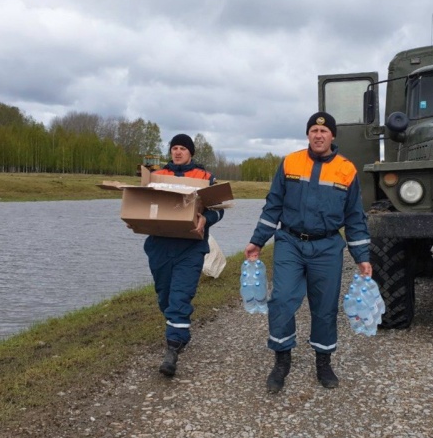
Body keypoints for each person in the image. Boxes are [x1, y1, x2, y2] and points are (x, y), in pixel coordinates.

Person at [244, 112, 372, 393]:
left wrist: (362, 257)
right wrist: (257, 240)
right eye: (313, 130)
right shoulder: (290, 162)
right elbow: (273, 205)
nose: (318, 135)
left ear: (332, 136)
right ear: (308, 134)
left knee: (325, 307)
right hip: (290, 242)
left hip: (327, 246)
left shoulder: (346, 170)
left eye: (324, 131)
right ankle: (282, 359)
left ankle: (323, 361)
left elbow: (354, 217)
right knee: (281, 300)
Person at [138, 133, 224, 377]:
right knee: (165, 296)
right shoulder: (157, 176)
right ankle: (177, 329)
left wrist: (206, 218)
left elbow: (219, 210)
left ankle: (173, 349)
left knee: (180, 297)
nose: (177, 152)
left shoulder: (205, 178)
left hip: (190, 248)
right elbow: (143, 205)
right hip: (160, 246)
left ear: (191, 153)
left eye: (182, 148)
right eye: (174, 148)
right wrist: (137, 220)